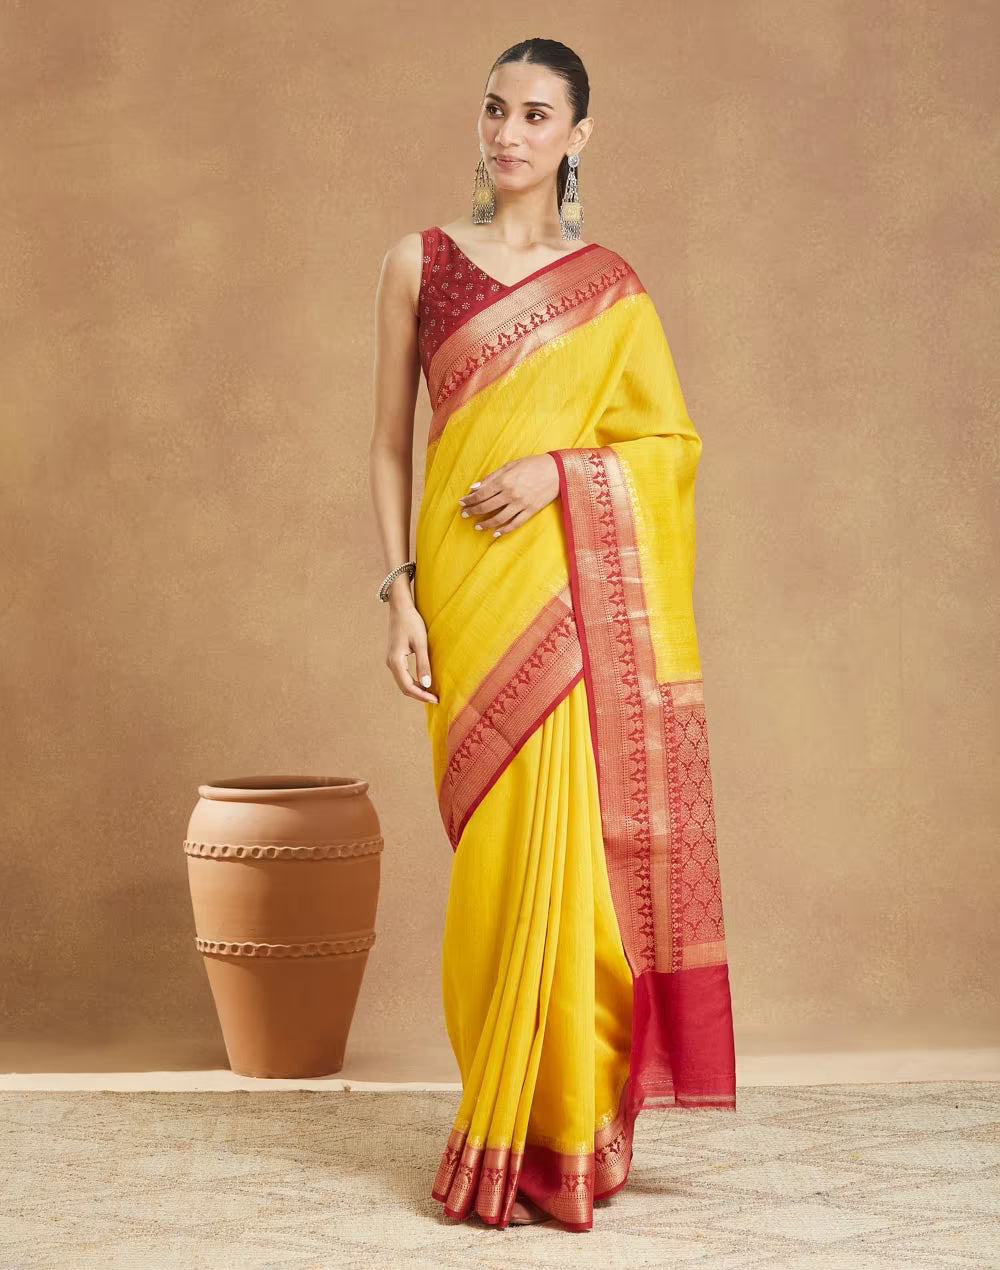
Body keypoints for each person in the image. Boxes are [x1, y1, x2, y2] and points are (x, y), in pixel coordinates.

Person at [369, 38, 736, 1232]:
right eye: (495, 108)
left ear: (578, 136)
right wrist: (399, 593)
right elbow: (388, 446)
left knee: (572, 861)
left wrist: (557, 472)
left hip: (567, 594)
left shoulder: (610, 287)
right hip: (464, 591)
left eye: (536, 114)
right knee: (490, 869)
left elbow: (666, 447)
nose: (509, 132)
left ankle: (562, 1128)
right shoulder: (419, 262)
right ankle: (495, 1110)